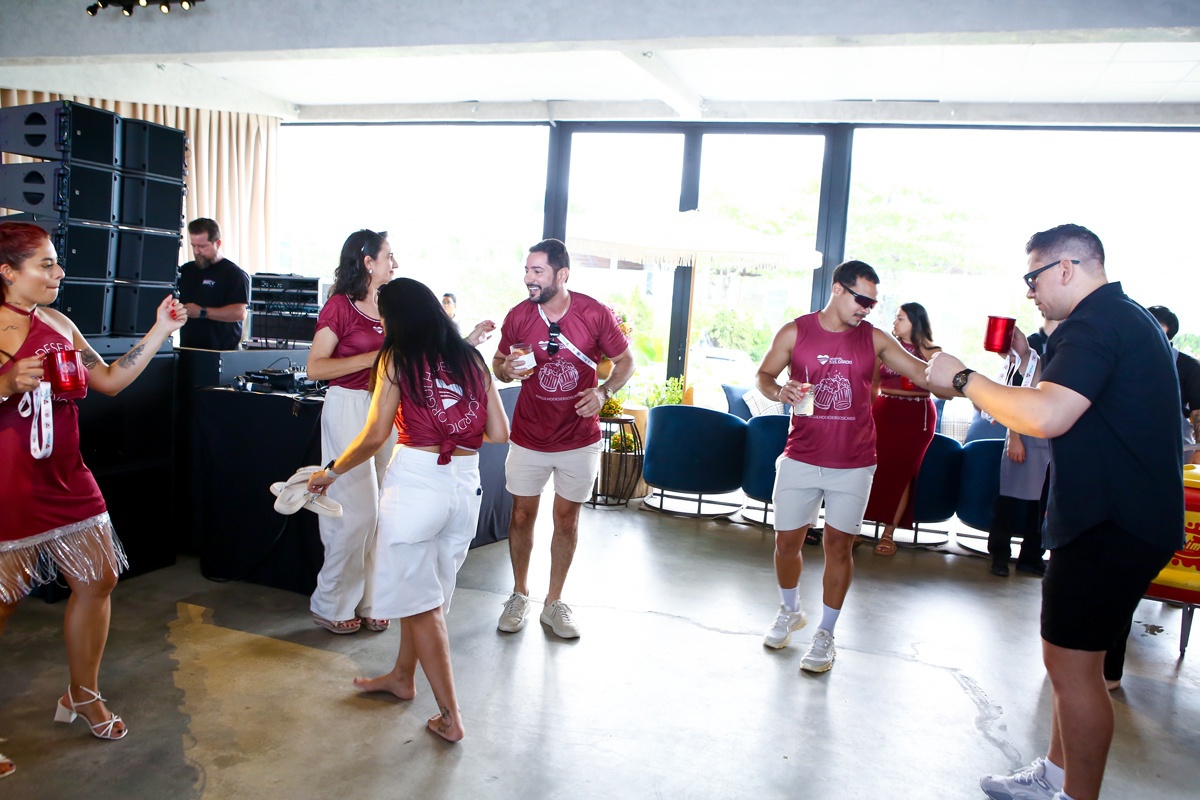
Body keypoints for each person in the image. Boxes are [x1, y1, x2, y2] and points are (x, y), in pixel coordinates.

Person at [925, 225, 1183, 800]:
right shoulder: (1120, 317)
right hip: (1120, 518)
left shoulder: (1095, 324)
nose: (1029, 292)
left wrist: (963, 379)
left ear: (1066, 268)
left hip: (1110, 523)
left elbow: (1046, 415)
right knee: (1073, 666)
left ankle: (1072, 795)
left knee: (1073, 670)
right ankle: (1056, 776)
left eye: (1033, 277)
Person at [0, 222, 186, 755]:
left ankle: (82, 694)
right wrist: (6, 383)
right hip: (11, 479)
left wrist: (160, 331)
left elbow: (108, 380)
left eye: (56, 262)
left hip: (68, 475)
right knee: (5, 598)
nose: (59, 273)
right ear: (8, 272)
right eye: (45, 265)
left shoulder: (57, 321)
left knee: (99, 577)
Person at [306, 278, 509, 742]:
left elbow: (375, 435)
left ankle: (451, 717)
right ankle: (402, 677)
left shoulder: (396, 358)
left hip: (417, 482)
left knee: (422, 606)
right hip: (466, 486)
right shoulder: (472, 359)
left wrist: (330, 472)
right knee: (427, 596)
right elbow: (499, 432)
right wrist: (456, 429)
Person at [755, 260, 949, 672]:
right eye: (862, 299)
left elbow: (921, 373)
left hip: (854, 462)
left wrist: (968, 382)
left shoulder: (875, 339)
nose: (867, 308)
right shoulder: (795, 331)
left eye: (873, 302)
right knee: (786, 544)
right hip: (800, 455)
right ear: (838, 289)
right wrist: (779, 391)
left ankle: (826, 634)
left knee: (839, 546)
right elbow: (764, 375)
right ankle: (790, 610)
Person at [306, 231, 494, 635]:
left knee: (386, 513)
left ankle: (377, 599)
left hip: (395, 406)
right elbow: (315, 368)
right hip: (351, 404)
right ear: (368, 261)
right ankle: (332, 601)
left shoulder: (396, 306)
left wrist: (467, 342)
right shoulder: (340, 307)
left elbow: (428, 358)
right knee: (356, 512)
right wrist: (376, 357)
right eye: (389, 256)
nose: (395, 263)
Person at [492, 239, 635, 638]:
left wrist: (604, 392)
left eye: (537, 271)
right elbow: (498, 363)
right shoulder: (519, 315)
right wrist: (507, 371)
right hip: (528, 435)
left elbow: (626, 361)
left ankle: (553, 602)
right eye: (527, 270)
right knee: (521, 515)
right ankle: (519, 594)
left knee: (567, 519)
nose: (528, 278)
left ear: (562, 274)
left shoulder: (593, 313)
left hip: (579, 438)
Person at [863, 302, 940, 555]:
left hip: (916, 415)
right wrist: (868, 412)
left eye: (900, 318)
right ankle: (855, 528)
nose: (894, 323)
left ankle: (888, 533)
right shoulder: (886, 348)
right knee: (871, 468)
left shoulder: (933, 352)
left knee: (903, 472)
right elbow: (874, 383)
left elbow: (941, 386)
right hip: (884, 412)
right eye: (895, 318)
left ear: (915, 322)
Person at [988, 315, 1058, 578]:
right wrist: (1014, 437)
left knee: (1041, 504)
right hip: (1023, 432)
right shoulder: (1032, 343)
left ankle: (1031, 556)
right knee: (1009, 500)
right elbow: (1014, 393)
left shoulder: (1071, 347)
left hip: (1051, 436)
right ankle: (999, 555)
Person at [177, 218, 250, 350]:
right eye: (193, 246)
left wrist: (202, 312)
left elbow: (239, 313)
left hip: (222, 351)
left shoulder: (234, 274)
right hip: (188, 349)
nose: (196, 251)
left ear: (218, 243)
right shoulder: (186, 270)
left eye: (202, 246)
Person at [1146, 305, 1200, 454]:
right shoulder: (1127, 361)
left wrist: (1199, 451)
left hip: (1177, 450)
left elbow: (1198, 411)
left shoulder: (1188, 366)